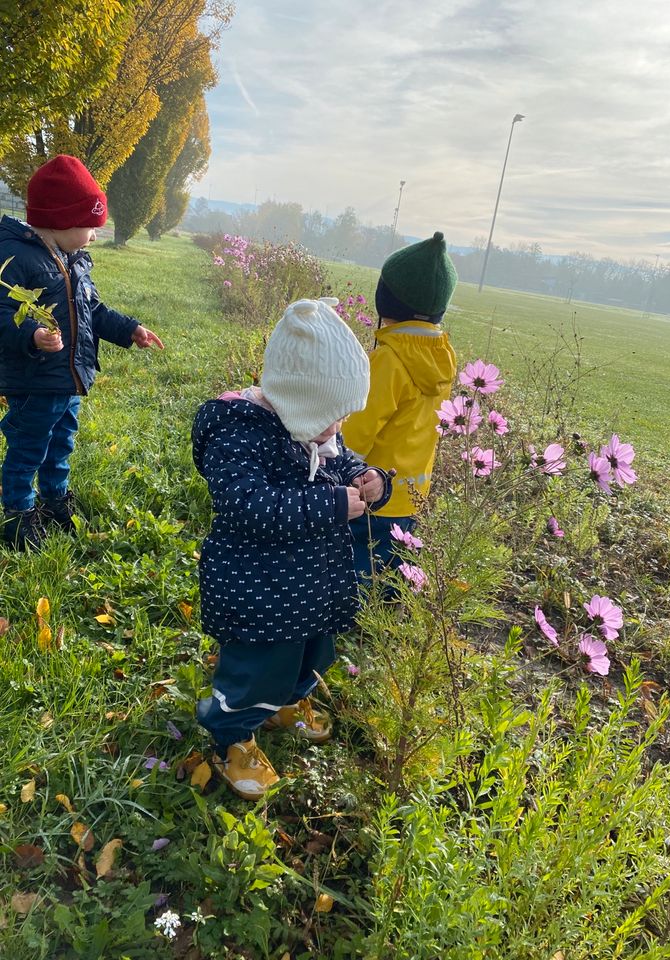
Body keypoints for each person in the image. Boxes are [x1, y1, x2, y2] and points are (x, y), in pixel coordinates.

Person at [192, 297, 391, 800]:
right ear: (296, 400)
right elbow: (248, 507)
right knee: (256, 669)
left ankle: (289, 702)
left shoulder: (314, 429)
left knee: (310, 655)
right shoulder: (239, 434)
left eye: (342, 417)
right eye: (330, 417)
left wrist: (370, 481)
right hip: (259, 590)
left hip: (311, 588)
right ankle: (233, 734)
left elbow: (340, 464)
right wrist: (329, 506)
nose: (337, 430)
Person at [0, 154, 164, 549]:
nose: (94, 235)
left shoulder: (73, 260)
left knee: (62, 441)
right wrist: (32, 333)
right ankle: (18, 515)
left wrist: (129, 330)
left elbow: (93, 309)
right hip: (36, 380)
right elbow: (3, 313)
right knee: (29, 447)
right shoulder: (16, 258)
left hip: (69, 379)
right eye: (90, 227)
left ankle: (55, 499)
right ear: (60, 221)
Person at [342, 231, 457, 577]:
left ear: (385, 299)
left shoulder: (389, 360)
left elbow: (357, 434)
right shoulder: (444, 358)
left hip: (371, 492)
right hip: (413, 495)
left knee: (356, 575)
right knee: (392, 572)